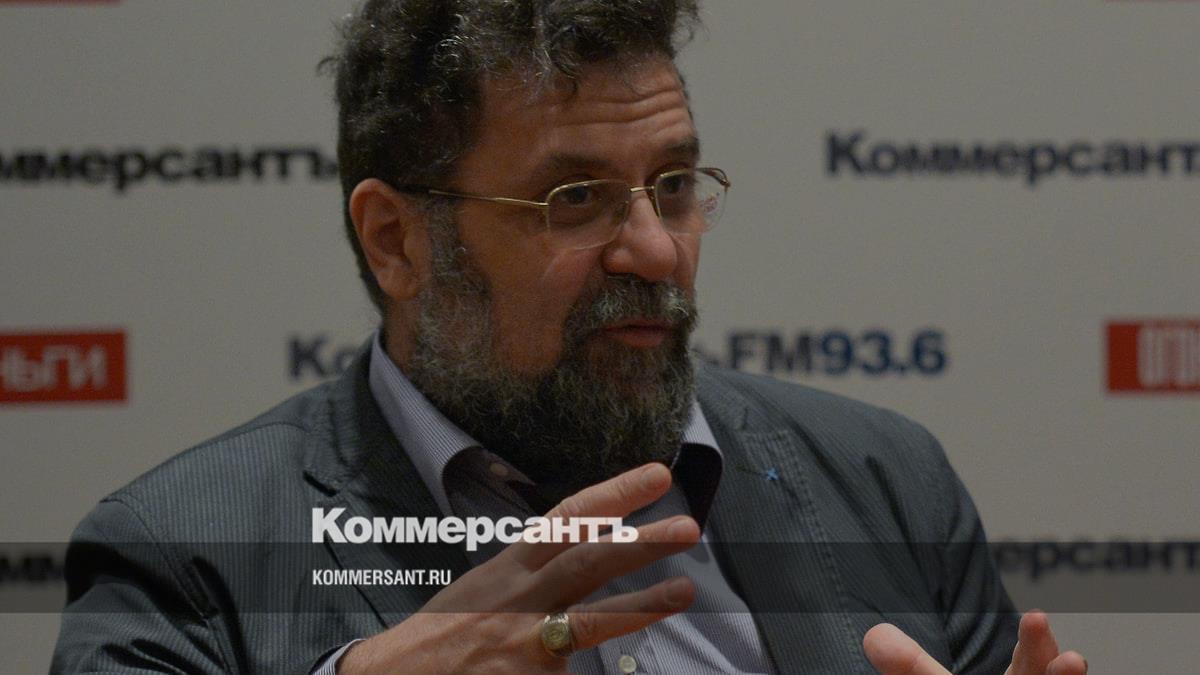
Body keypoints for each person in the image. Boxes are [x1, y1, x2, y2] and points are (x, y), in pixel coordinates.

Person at [53, 1, 1088, 673]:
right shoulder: (186, 555)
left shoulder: (884, 479)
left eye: (673, 185)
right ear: (396, 239)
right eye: (575, 197)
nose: (657, 249)